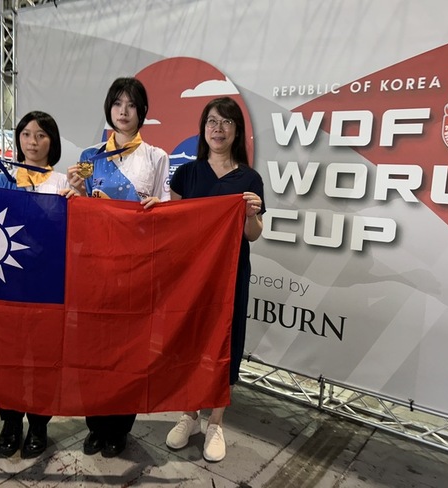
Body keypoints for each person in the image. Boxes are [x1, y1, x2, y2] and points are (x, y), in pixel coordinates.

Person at [67, 77, 170, 458]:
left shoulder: (156, 157)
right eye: (117, 104)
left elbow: (164, 211)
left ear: (142, 112)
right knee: (93, 347)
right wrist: (76, 190)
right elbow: (82, 210)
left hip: (135, 265)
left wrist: (158, 207)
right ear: (109, 109)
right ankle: (95, 425)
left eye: (131, 105)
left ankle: (120, 428)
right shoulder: (90, 156)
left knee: (129, 348)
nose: (123, 111)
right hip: (95, 264)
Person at [0, 110, 74, 459]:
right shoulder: (1, 181)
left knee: (43, 358)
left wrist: (79, 204)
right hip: (6, 284)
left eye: (41, 135)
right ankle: (10, 424)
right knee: (6, 359)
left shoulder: (64, 184)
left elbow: (74, 235)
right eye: (26, 134)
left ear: (52, 141)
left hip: (48, 285)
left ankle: (39, 425)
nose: (33, 141)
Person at [164, 97, 264, 462]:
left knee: (226, 341)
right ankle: (189, 414)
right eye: (211, 122)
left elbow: (253, 235)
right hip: (192, 275)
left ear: (237, 130)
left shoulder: (249, 179)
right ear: (203, 129)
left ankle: (216, 421)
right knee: (191, 340)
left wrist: (251, 214)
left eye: (226, 122)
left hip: (231, 275)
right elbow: (174, 225)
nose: (218, 129)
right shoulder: (186, 174)